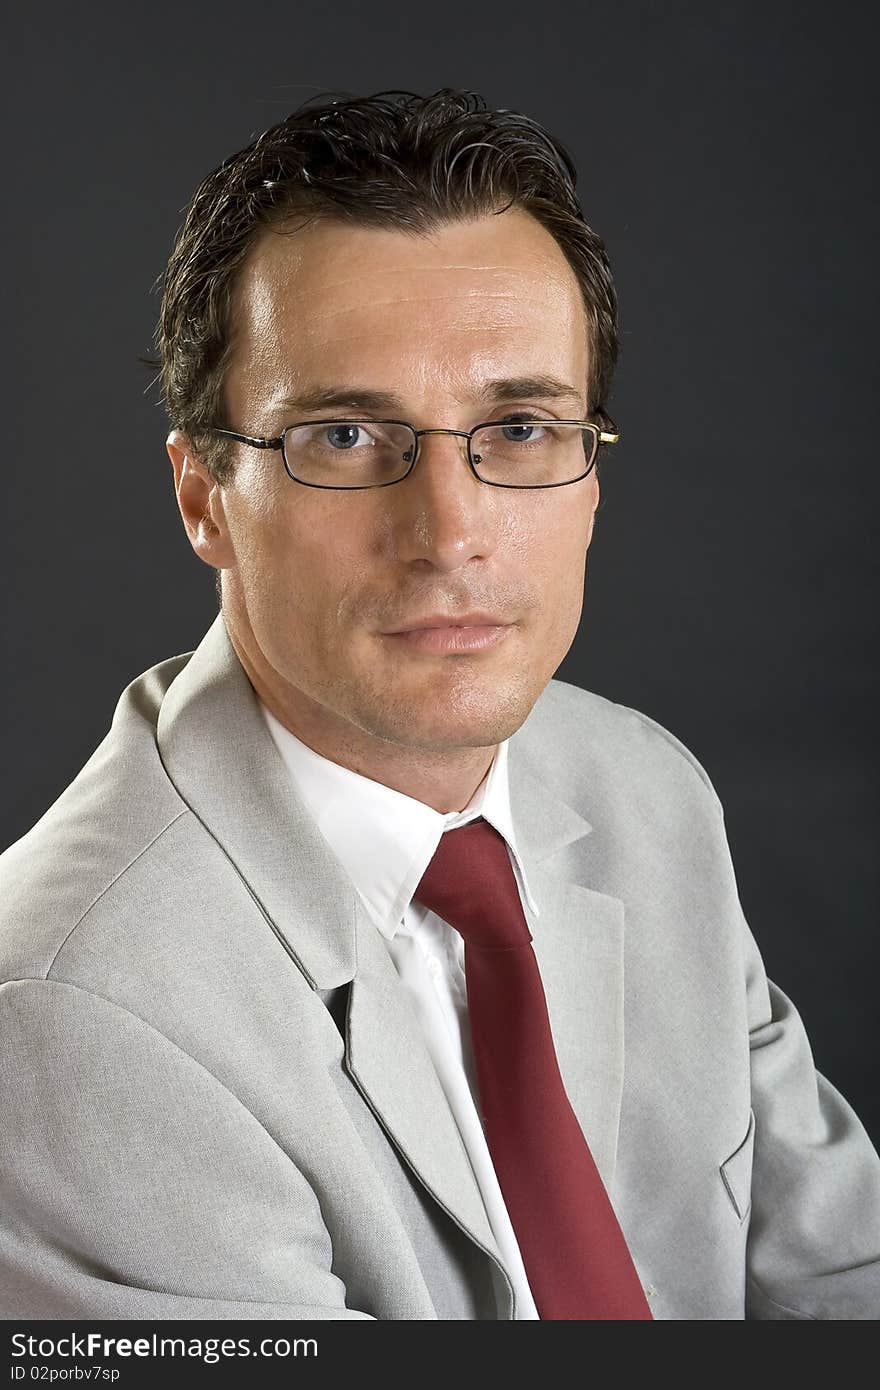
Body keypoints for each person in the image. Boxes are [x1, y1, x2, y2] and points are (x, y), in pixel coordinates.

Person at [1, 87, 877, 1323]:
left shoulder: (642, 787)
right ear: (204, 495)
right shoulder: (73, 1020)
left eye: (518, 425)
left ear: (588, 474)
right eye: (349, 434)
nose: (450, 533)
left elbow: (842, 1278)